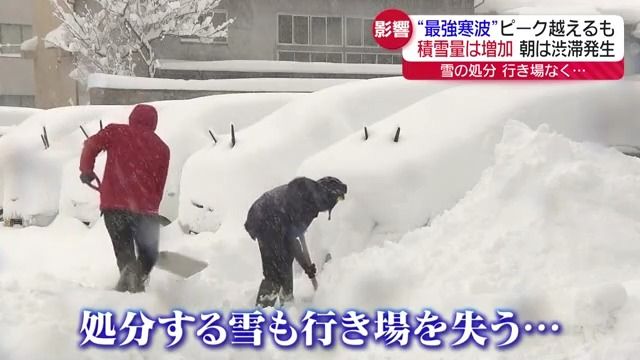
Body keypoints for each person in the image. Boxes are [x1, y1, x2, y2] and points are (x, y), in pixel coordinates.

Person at [79, 104, 170, 293]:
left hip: (115, 208)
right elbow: (159, 185)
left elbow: (90, 145)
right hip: (144, 211)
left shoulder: (116, 132)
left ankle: (128, 282)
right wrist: (153, 210)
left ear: (132, 118)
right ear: (154, 123)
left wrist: (86, 169)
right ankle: (136, 282)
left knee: (125, 253)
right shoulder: (162, 148)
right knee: (148, 255)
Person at [244, 176, 347, 307]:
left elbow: (291, 238)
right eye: (338, 198)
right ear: (331, 195)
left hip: (269, 218)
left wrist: (306, 266)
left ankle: (287, 303)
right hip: (266, 219)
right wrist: (306, 266)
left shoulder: (311, 197)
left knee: (286, 258)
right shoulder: (309, 201)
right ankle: (263, 310)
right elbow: (292, 239)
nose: (337, 203)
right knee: (274, 271)